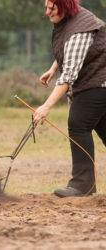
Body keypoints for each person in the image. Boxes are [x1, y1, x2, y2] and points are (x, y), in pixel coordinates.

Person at [33, 0, 106, 197]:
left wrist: (46, 106)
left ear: (65, 6)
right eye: (46, 7)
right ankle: (85, 184)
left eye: (52, 8)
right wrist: (53, 68)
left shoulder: (80, 29)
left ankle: (82, 185)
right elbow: (70, 52)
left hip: (99, 81)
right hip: (97, 80)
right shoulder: (73, 20)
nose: (47, 12)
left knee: (78, 123)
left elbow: (69, 75)